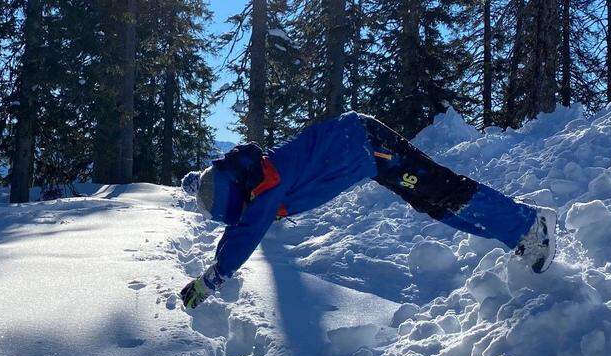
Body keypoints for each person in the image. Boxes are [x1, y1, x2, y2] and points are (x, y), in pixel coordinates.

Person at [178, 112, 556, 309]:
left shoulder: (265, 183)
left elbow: (247, 231)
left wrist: (212, 279)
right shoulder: (254, 179)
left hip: (366, 144)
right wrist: (200, 183)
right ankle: (518, 236)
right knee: (433, 201)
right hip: (365, 152)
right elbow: (244, 223)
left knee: (444, 190)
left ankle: (527, 224)